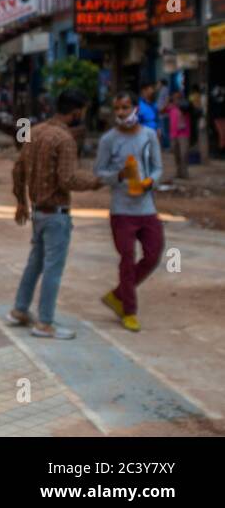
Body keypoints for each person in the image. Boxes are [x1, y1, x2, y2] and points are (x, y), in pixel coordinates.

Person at [7, 89, 103, 339]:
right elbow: (69, 178)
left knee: (35, 263)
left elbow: (18, 170)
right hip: (56, 213)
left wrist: (21, 202)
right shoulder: (65, 139)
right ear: (76, 112)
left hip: (38, 211)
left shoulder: (34, 132)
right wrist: (96, 181)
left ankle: (20, 308)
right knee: (52, 269)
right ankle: (45, 322)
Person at [94, 91, 163, 332]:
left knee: (153, 254)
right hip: (121, 209)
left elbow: (157, 168)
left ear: (136, 109)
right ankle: (129, 310)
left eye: (126, 107)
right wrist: (119, 175)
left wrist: (149, 182)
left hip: (146, 207)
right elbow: (99, 173)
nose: (122, 113)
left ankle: (119, 295)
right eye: (118, 109)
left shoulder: (149, 135)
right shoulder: (108, 140)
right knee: (127, 258)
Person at [168, 91, 190, 179]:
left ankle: (185, 173)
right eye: (174, 98)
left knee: (184, 154)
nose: (176, 100)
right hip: (173, 134)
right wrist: (168, 101)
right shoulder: (171, 108)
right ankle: (178, 173)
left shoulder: (185, 107)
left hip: (183, 134)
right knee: (176, 155)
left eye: (178, 98)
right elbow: (161, 110)